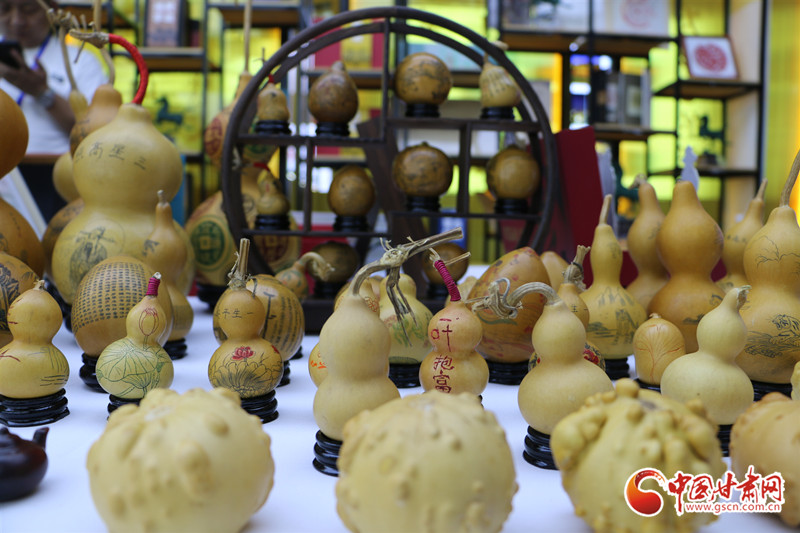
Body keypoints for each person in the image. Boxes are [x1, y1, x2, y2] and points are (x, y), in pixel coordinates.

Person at [0, 0, 107, 220]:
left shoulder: (80, 60)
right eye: (5, 9)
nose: (17, 20)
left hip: (58, 178)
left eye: (29, 10)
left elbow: (98, 136)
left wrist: (42, 93)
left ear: (53, 12)